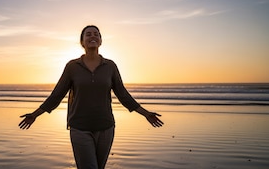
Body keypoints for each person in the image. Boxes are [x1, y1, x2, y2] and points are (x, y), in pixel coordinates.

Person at [19, 25, 164, 169]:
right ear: (82, 42)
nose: (92, 36)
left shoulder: (110, 66)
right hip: (80, 127)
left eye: (96, 34)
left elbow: (123, 94)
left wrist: (146, 114)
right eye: (88, 34)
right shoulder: (72, 67)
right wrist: (35, 114)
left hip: (106, 127)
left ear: (100, 41)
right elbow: (57, 95)